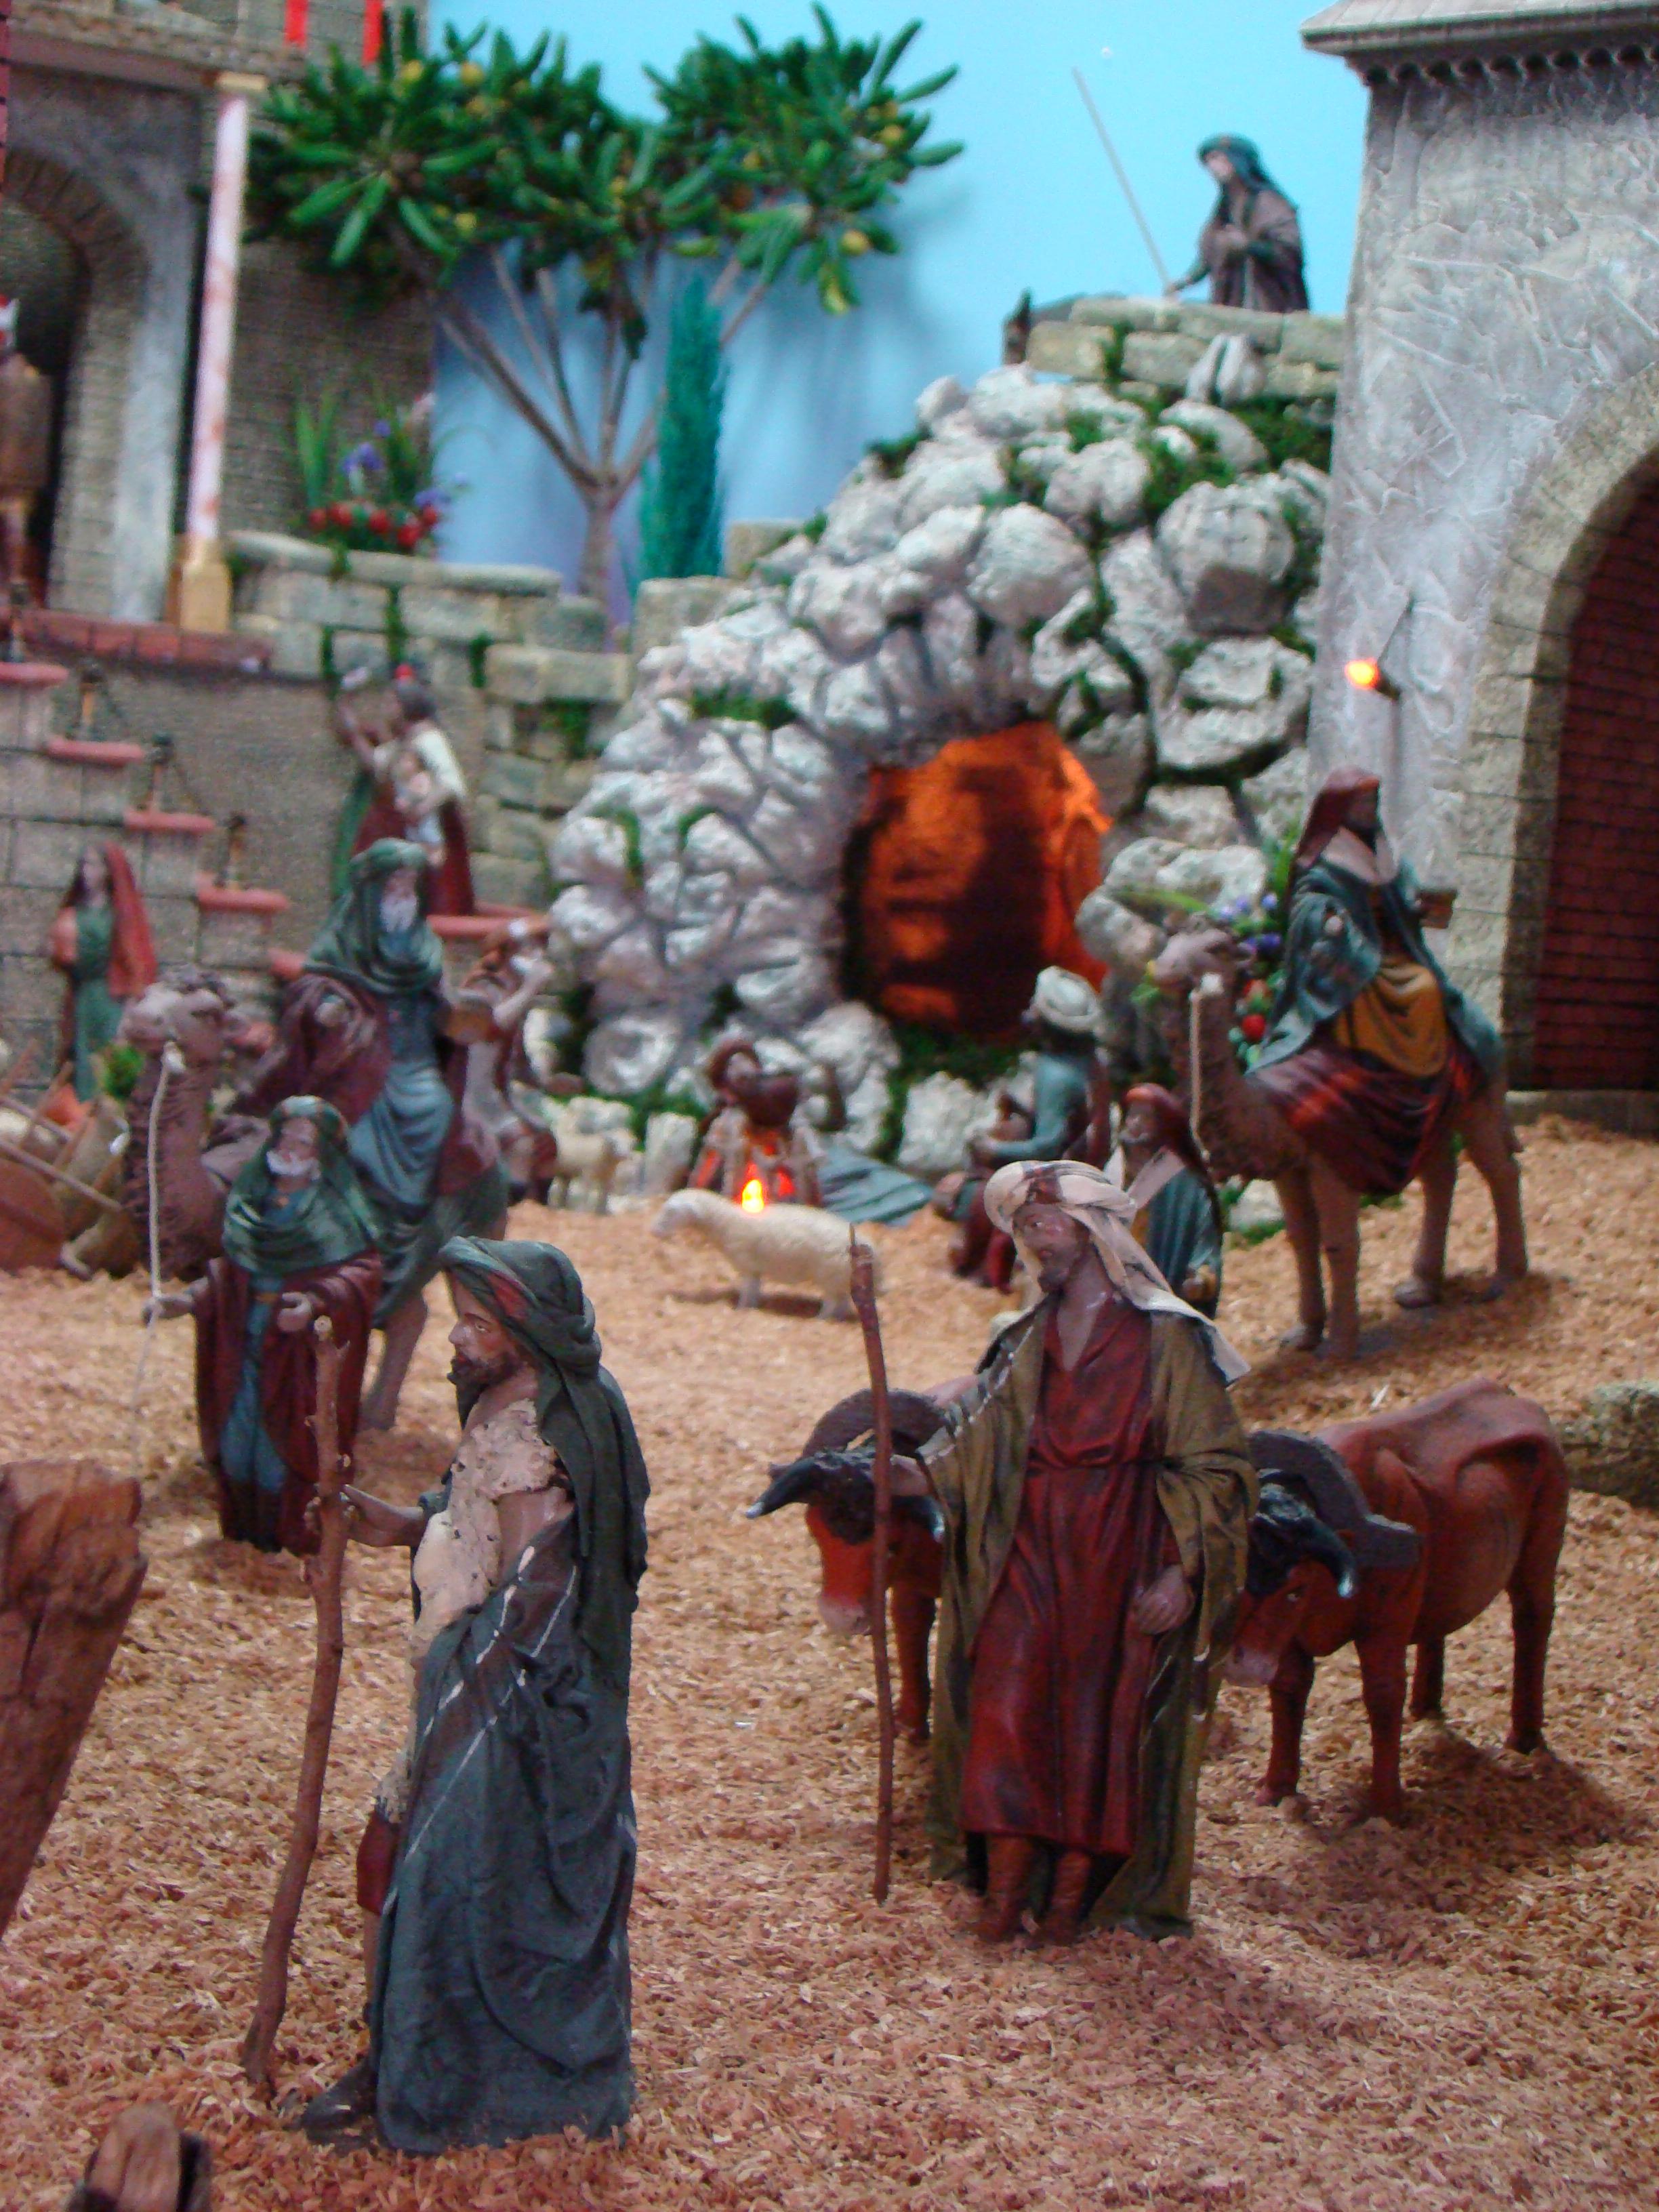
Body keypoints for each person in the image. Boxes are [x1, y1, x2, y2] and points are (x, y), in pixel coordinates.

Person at [302, 1237, 649, 2153]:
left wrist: (461, 1697)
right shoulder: (508, 1402)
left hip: (516, 1709)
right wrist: (400, 1526)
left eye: (476, 1324)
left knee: (448, 1879)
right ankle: (395, 2050)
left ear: (526, 1333)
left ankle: (441, 2083)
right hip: (478, 1684)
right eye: (459, 1319)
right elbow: (474, 1519)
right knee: (389, 1861)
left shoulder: (542, 1433)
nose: (457, 1338)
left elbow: (534, 1590)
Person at [895, 1160, 1254, 1944]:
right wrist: (913, 1476)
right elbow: (977, 1439)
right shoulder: (1027, 1339)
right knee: (1005, 1707)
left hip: (1120, 1546)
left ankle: (1070, 1901)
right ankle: (1004, 1891)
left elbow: (1219, 1468)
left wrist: (1182, 1570)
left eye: (1044, 1225)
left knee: (1099, 1724)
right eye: (1023, 1228)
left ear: (1092, 1230)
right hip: (1029, 1545)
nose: (1034, 1242)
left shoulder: (1166, 1338)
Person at [233, 840, 511, 1428]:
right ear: (370, 892)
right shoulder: (342, 950)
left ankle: (405, 1236)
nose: (402, 898)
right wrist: (332, 1016)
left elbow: (446, 1015)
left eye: (410, 888)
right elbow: (309, 1003)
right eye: (393, 887)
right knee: (345, 1139)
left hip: (414, 1072)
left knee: (436, 1110)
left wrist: (462, 1014)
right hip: (358, 1079)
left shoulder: (420, 950)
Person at [1252, 766, 1511, 1213]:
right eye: (1359, 803)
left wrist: (1417, 906)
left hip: (1389, 950)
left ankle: (1421, 1064)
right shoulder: (1326, 857)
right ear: (1340, 809)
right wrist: (1327, 920)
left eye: (1372, 802)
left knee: (1424, 986)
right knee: (1407, 989)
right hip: (1353, 960)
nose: (1367, 810)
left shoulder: (1382, 852)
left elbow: (1399, 901)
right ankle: (1370, 1050)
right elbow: (1309, 902)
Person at [146, 1098, 381, 1553]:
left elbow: (362, 1274)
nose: (290, 1147)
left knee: (284, 1448)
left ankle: (284, 1542)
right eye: (285, 1136)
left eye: (303, 1141)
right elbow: (231, 1274)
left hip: (293, 1353)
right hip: (243, 1338)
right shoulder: (252, 1203)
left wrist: (314, 1303)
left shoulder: (337, 1213)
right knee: (237, 1442)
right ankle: (241, 1536)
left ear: (322, 1153)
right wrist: (188, 1300)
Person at [943, 967, 1108, 1289]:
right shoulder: (1091, 1061)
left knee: (977, 1195)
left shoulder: (1055, 1074)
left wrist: (995, 1150)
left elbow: (1048, 1145)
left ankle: (983, 1269)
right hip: (1082, 1166)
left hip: (1057, 1177)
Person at [333, 668, 473, 916]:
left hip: (425, 834)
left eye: (391, 703)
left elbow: (451, 783)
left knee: (429, 892)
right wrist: (348, 714)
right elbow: (377, 764)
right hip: (402, 831)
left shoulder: (428, 738)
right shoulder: (401, 743)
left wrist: (423, 808)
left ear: (406, 705)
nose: (385, 709)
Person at [46, 843, 157, 1102]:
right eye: (84, 865)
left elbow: (136, 961)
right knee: (78, 1058)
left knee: (106, 1061)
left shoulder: (120, 913)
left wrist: (130, 1011)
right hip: (83, 996)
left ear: (108, 871)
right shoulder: (77, 910)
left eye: (94, 865)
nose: (87, 872)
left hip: (110, 998)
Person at [1112, 1084, 1223, 1317]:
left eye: (1146, 1117)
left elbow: (1204, 1243)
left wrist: (1200, 1279)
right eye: (1132, 1115)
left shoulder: (1184, 1183)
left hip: (1159, 1297)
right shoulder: (1111, 1171)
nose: (1135, 1123)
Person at [1169, 136, 1308, 315]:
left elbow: (1289, 253)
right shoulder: (1222, 212)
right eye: (1208, 161)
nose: (1213, 166)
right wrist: (1186, 281)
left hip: (1269, 303)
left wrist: (1248, 246)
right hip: (1230, 301)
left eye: (1218, 158)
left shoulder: (1270, 203)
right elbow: (1209, 254)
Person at [689, 1038, 823, 1206]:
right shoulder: (729, 1127)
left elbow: (810, 1181)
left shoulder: (795, 1137)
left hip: (785, 1207)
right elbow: (704, 1176)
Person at [0, 295, 53, 601]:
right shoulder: (27, 375)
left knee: (13, 522)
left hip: (13, 474)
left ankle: (12, 582)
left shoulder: (23, 377)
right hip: (17, 474)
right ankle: (11, 582)